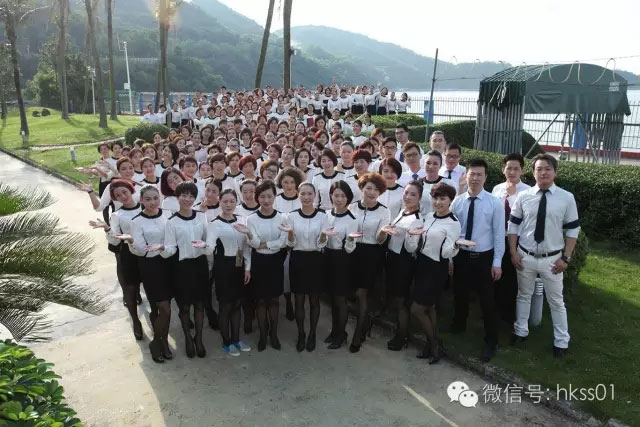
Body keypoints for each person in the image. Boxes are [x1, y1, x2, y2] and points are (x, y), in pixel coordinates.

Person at [508, 154, 580, 358]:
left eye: (548, 168)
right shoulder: (523, 196)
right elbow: (513, 224)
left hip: (553, 260)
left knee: (556, 301)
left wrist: (565, 258)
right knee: (523, 295)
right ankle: (520, 331)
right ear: (533, 172)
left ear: (555, 172)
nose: (543, 172)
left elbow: (573, 229)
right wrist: (513, 252)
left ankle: (561, 341)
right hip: (525, 256)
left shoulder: (566, 198)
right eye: (539, 169)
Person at [450, 159, 505, 362]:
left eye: (479, 174)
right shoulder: (457, 202)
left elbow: (499, 234)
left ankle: (491, 340)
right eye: (471, 174)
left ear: (485, 177)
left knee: (487, 300)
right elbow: (452, 231)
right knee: (460, 293)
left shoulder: (494, 203)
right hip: (461, 255)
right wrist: (450, 257)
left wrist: (497, 262)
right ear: (466, 176)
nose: (475, 178)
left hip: (483, 257)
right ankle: (458, 325)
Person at [406, 183, 461, 364]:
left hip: (436, 268)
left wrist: (455, 247)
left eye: (443, 199)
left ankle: (435, 345)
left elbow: (446, 253)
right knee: (429, 308)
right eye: (436, 198)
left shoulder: (453, 223)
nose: (438, 202)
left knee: (417, 309)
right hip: (422, 264)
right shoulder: (429, 216)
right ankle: (430, 346)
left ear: (450, 200)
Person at [89, 180, 142, 339]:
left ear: (131, 190)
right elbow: (114, 241)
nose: (122, 196)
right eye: (118, 195)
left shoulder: (145, 206)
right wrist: (107, 229)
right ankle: (135, 320)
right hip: (128, 255)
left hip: (146, 254)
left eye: (124, 192)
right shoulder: (116, 215)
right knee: (130, 289)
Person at [241, 180, 288, 351]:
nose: (266, 200)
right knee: (260, 301)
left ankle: (273, 334)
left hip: (276, 262)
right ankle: (262, 335)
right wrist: (267, 244)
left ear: (275, 197)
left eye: (269, 196)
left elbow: (283, 242)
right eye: (262, 196)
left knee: (274, 300)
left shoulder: (282, 217)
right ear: (257, 197)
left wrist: (264, 244)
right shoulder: (251, 219)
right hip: (259, 262)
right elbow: (252, 243)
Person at [164, 182, 209, 358]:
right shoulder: (171, 222)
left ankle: (199, 338)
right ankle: (188, 338)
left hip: (200, 265)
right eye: (184, 195)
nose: (187, 199)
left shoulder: (201, 217)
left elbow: (208, 241)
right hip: (181, 268)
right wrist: (162, 249)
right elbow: (170, 247)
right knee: (184, 306)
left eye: (191, 196)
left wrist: (205, 245)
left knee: (200, 304)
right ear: (177, 197)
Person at [129, 185, 174, 363]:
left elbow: (173, 240)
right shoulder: (136, 221)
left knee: (166, 308)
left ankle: (163, 341)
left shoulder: (168, 215)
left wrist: (164, 248)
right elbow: (141, 249)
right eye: (147, 199)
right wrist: (133, 243)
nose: (152, 202)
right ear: (141, 200)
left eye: (155, 198)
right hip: (151, 266)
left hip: (168, 263)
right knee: (162, 308)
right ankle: (156, 342)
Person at [205, 189, 252, 356]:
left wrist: (247, 268)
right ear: (219, 202)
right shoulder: (214, 224)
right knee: (225, 305)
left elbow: (247, 246)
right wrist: (204, 249)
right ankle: (227, 342)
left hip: (239, 266)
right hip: (223, 267)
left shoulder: (242, 219)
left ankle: (237, 339)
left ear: (236, 202)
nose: (228, 205)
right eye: (225, 201)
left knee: (238, 304)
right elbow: (210, 248)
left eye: (232, 201)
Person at [285, 183, 331, 352]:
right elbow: (290, 243)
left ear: (315, 195)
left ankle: (312, 333)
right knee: (299, 299)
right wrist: (290, 234)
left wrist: (324, 236)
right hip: (297, 258)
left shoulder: (322, 216)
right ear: (298, 195)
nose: (306, 197)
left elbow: (322, 244)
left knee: (314, 300)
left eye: (309, 194)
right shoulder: (291, 216)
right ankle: (301, 333)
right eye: (303, 194)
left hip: (316, 260)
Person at [379, 180, 423, 351]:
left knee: (401, 301)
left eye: (413, 194)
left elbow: (412, 247)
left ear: (419, 198)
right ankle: (399, 331)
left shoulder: (417, 219)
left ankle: (402, 336)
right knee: (395, 299)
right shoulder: (403, 212)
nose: (408, 197)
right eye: (406, 193)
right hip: (392, 259)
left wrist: (410, 235)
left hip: (403, 262)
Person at [348, 173, 390, 353]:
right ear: (362, 188)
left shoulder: (384, 211)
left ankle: (358, 333)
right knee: (352, 292)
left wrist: (383, 232)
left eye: (377, 190)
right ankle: (364, 324)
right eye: (369, 188)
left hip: (371, 254)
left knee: (362, 293)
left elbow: (380, 240)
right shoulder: (352, 207)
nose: (372, 192)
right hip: (352, 252)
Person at [491, 153, 530, 323]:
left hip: (517, 240)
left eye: (516, 169)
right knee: (495, 275)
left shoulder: (528, 191)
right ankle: (494, 311)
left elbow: (525, 218)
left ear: (522, 171)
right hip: (496, 238)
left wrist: (513, 196)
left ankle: (509, 316)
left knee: (512, 279)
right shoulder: (497, 189)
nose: (512, 172)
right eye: (509, 168)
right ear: (503, 169)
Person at [323, 181, 358, 349]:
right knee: (331, 298)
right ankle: (334, 331)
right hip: (326, 257)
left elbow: (350, 248)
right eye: (336, 195)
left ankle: (341, 334)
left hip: (342, 259)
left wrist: (350, 240)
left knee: (340, 298)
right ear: (331, 196)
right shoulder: (326, 215)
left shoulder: (352, 219)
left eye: (343, 196)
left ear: (348, 198)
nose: (339, 199)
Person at [274, 168, 304, 322]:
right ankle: (288, 301)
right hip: (282, 242)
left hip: (300, 242)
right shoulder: (276, 199)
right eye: (285, 182)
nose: (289, 185)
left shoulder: (302, 198)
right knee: (285, 274)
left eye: (292, 182)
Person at [419, 150, 457, 217]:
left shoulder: (448, 183)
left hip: (442, 221)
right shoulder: (418, 184)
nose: (431, 167)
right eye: (428, 163)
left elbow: (454, 205)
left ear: (440, 166)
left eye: (435, 164)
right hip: (422, 221)